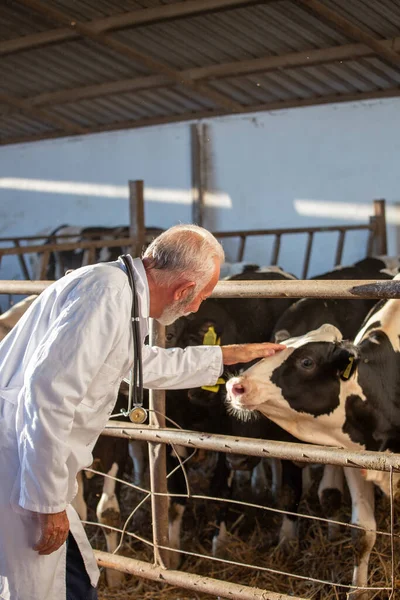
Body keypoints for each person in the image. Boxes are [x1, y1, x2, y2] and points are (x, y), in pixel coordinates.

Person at [0, 224, 285, 600]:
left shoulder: (120, 293)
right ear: (184, 290)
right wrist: (47, 502)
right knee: (33, 588)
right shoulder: (105, 294)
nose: (198, 306)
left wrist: (225, 355)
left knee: (70, 579)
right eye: (202, 296)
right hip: (22, 461)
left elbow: (137, 363)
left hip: (36, 460)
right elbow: (48, 395)